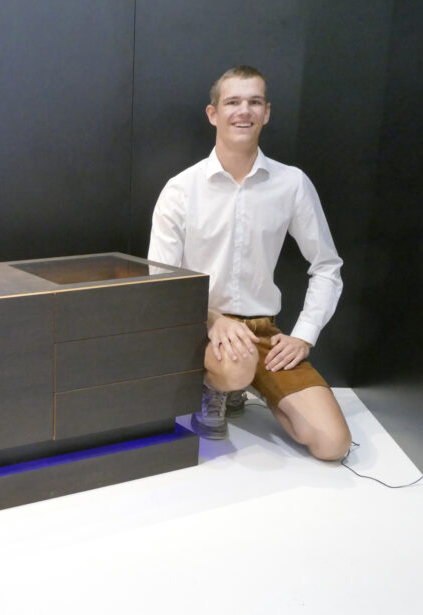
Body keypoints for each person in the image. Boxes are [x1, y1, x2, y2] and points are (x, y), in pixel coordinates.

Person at [148, 65, 351, 462]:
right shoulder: (181, 189)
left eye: (254, 102)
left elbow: (327, 265)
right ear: (213, 114)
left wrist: (304, 335)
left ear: (266, 112)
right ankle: (217, 385)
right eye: (233, 102)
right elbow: (162, 282)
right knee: (237, 363)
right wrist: (212, 318)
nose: (244, 111)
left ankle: (243, 385)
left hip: (263, 334)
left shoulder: (291, 183)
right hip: (204, 327)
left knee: (333, 444)